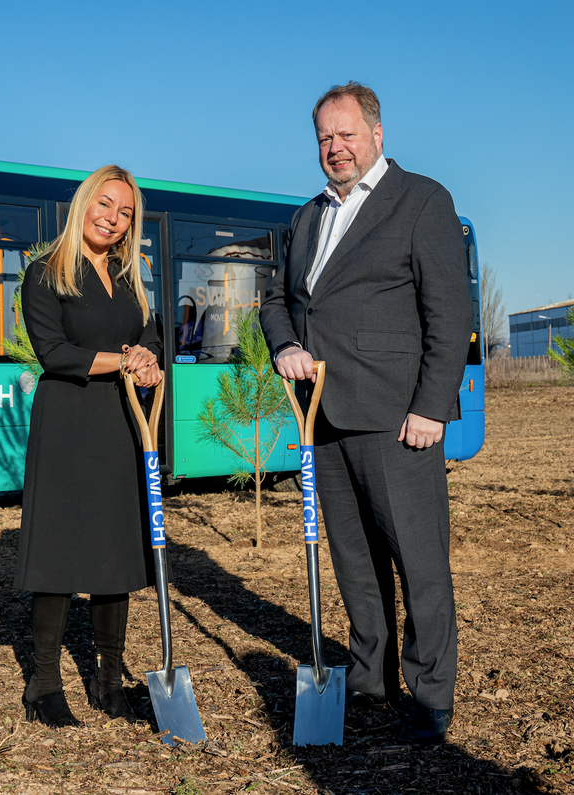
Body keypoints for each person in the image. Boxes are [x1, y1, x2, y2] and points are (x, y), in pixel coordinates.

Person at [261, 83, 472, 744]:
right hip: (323, 416)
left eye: (346, 133)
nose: (335, 148)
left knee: (419, 560)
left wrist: (431, 406)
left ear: (377, 134)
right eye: (325, 137)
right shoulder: (305, 218)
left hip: (396, 418)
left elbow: (450, 311)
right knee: (354, 560)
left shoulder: (423, 201)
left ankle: (432, 691)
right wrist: (286, 342)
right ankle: (370, 674)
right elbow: (277, 298)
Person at [15, 164, 163, 727]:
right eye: (105, 204)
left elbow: (148, 331)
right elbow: (54, 353)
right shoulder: (46, 273)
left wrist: (146, 356)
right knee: (57, 551)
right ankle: (45, 683)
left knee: (114, 551)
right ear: (83, 204)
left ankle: (108, 683)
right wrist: (125, 359)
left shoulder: (130, 277)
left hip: (120, 420)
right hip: (67, 420)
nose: (114, 218)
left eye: (125, 212)